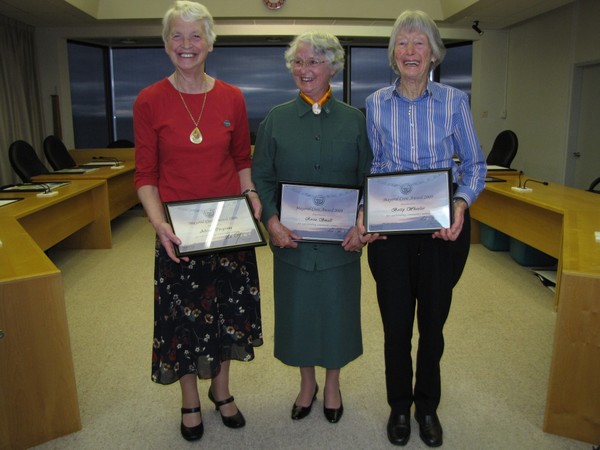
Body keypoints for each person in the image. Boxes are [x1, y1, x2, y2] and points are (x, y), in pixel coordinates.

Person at [133, 1, 263, 441]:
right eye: (177, 35)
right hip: (178, 231)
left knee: (228, 315)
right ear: (166, 43)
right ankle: (190, 398)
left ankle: (221, 392)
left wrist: (251, 194)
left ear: (210, 42)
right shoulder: (149, 100)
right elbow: (145, 176)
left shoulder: (232, 96)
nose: (186, 45)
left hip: (229, 227)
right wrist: (157, 224)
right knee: (183, 320)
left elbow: (241, 159)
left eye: (195, 36)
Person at [365, 10, 486, 448]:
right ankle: (399, 406)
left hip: (442, 232)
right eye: (402, 43)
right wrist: (367, 212)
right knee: (396, 326)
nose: (410, 51)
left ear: (434, 53)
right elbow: (374, 167)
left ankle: (427, 408)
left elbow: (474, 166)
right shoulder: (376, 103)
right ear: (393, 54)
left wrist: (459, 203)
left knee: (432, 325)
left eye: (419, 43)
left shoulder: (455, 102)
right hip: (391, 234)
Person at [252, 31, 375, 424]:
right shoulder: (276, 120)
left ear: (333, 68)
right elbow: (262, 178)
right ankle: (307, 385)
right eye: (299, 62)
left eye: (315, 61)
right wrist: (271, 221)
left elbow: (369, 179)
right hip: (294, 244)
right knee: (299, 316)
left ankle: (333, 384)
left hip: (342, 245)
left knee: (337, 315)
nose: (305, 70)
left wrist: (362, 222)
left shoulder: (356, 122)